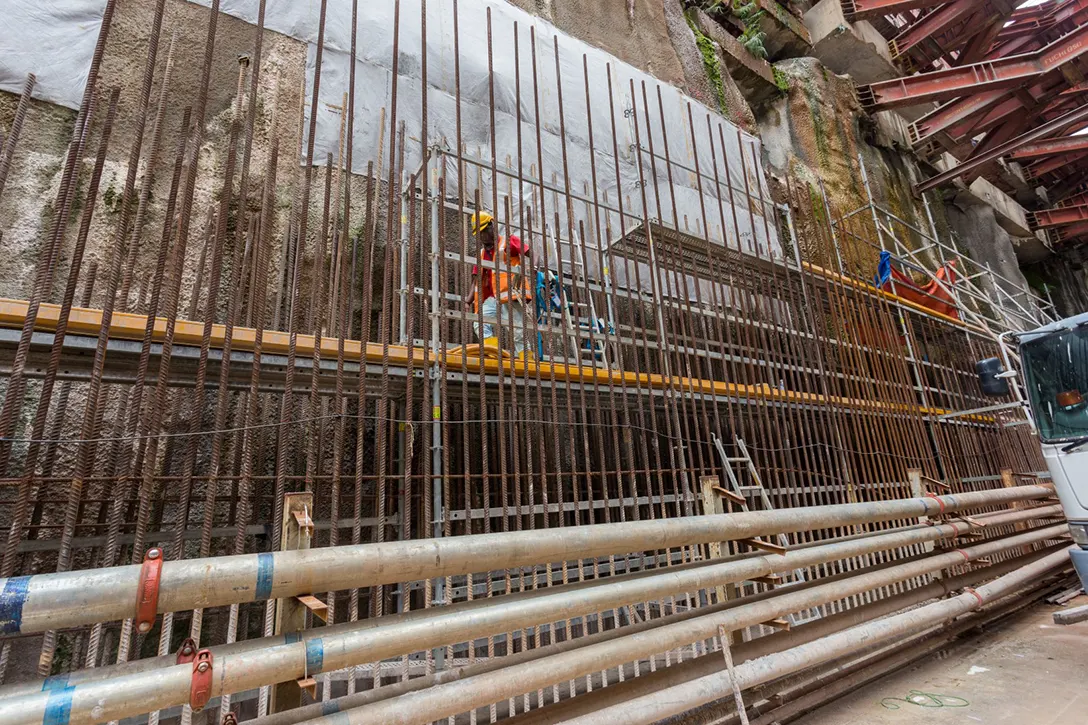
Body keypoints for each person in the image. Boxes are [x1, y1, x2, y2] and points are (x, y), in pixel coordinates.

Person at [466, 211, 533, 359]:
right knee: (480, 321)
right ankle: (493, 352)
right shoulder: (482, 253)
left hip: (512, 295)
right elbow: (476, 280)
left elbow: (531, 253)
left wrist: (536, 269)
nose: (481, 236)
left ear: (492, 226)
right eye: (479, 233)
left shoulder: (509, 242)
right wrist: (468, 300)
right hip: (492, 298)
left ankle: (527, 360)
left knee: (517, 332)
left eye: (483, 231)